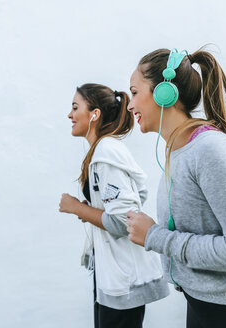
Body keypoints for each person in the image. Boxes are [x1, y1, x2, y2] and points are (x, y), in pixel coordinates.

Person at [125, 48, 226, 328]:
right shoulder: (177, 151)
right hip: (203, 305)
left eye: (134, 92)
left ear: (164, 93)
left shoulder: (210, 151)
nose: (130, 106)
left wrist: (155, 236)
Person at [59, 83, 169, 328]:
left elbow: (123, 220)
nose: (69, 115)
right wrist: (93, 211)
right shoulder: (104, 150)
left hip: (123, 279)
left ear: (94, 114)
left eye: (75, 108)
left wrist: (77, 207)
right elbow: (135, 195)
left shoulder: (106, 153)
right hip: (115, 276)